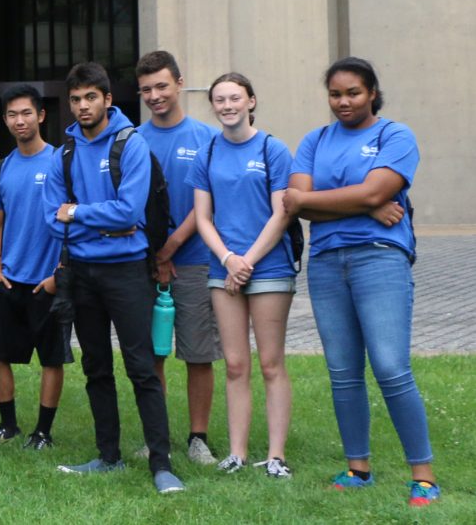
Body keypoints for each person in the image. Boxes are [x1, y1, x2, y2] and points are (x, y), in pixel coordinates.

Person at [285, 57, 439, 507]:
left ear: (372, 92)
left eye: (353, 92)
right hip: (328, 262)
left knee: (391, 367)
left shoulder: (394, 135)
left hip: (380, 259)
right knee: (343, 373)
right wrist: (368, 206)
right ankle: (358, 468)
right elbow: (298, 205)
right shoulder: (314, 141)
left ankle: (424, 476)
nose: (344, 101)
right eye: (335, 94)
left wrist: (361, 199)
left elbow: (371, 189)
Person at [47, 62, 182, 494]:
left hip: (126, 272)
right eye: (75, 99)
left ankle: (161, 465)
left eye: (91, 97)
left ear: (108, 99)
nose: (83, 106)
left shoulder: (131, 144)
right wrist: (101, 221)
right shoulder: (63, 152)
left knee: (141, 368)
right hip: (82, 272)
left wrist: (79, 212)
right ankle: (108, 457)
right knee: (96, 368)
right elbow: (52, 221)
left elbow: (129, 212)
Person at [188, 73, 296, 479]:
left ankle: (276, 456)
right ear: (213, 106)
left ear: (251, 101)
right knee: (235, 364)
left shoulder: (273, 149)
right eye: (220, 99)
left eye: (235, 98)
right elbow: (202, 218)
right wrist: (229, 259)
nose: (228, 105)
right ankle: (236, 452)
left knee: (270, 364)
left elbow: (281, 214)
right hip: (224, 270)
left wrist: (246, 261)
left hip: (269, 268)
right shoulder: (208, 153)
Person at [133, 51, 220, 465]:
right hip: (144, 264)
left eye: (162, 86)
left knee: (198, 353)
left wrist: (170, 247)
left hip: (196, 259)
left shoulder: (205, 138)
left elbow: (210, 202)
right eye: (147, 89)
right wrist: (154, 253)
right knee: (152, 355)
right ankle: (156, 437)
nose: (155, 95)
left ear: (180, 84)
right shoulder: (133, 140)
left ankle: (198, 438)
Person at [0, 84, 69, 450]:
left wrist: (58, 275)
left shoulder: (63, 163)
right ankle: (8, 425)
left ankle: (42, 432)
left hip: (48, 282)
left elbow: (70, 223)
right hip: (12, 281)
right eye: (12, 115)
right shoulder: (1, 169)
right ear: (5, 121)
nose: (20, 121)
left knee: (52, 359)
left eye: (26, 113)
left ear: (41, 115)